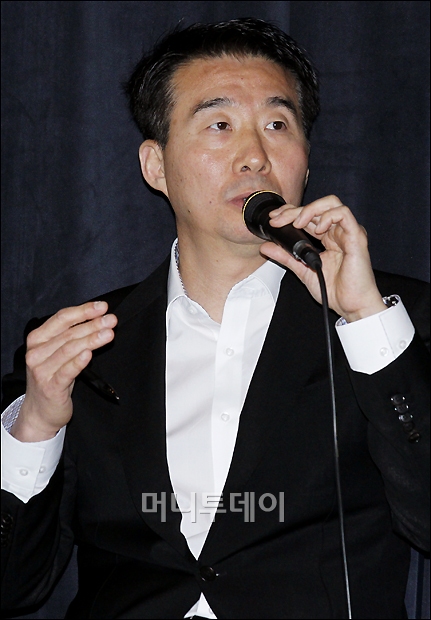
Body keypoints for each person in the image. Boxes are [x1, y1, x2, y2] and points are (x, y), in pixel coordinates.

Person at [1, 18, 429, 620]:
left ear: (306, 163)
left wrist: (364, 319)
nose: (254, 156)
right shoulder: (83, 346)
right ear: (156, 166)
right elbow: (12, 588)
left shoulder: (392, 323)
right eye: (219, 125)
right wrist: (36, 426)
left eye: (277, 125)